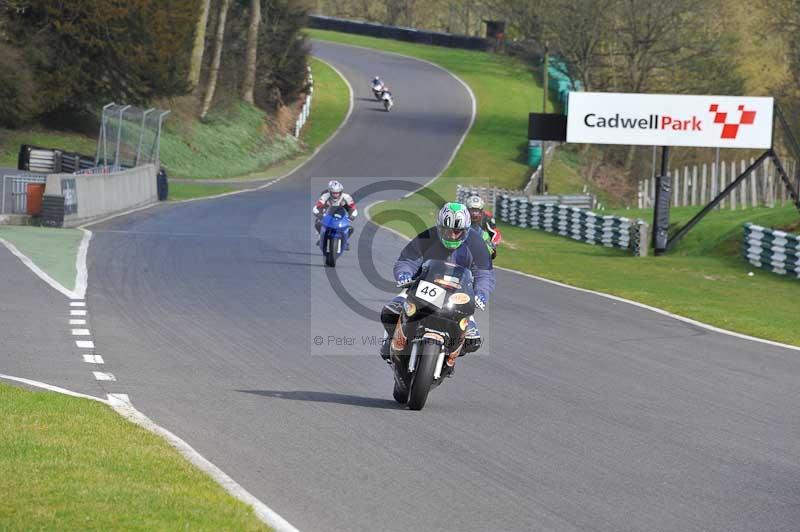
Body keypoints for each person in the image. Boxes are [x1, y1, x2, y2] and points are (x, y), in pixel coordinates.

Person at [379, 202, 495, 377]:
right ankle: (391, 342)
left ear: (466, 230)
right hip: (419, 287)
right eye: (448, 230)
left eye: (457, 231)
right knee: (390, 310)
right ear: (440, 226)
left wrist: (481, 294)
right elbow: (407, 260)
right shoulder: (427, 236)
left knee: (473, 339)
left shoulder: (476, 243)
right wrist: (404, 275)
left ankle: (450, 358)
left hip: (458, 295)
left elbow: (484, 273)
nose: (453, 235)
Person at [313, 180, 357, 245]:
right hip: (327, 214)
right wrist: (319, 214)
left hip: (341, 215)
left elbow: (353, 208)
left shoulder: (347, 197)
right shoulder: (325, 196)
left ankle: (345, 241)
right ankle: (321, 237)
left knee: (350, 228)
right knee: (318, 223)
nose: (335, 195)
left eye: (337, 193)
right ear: (330, 192)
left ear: (340, 192)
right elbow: (317, 207)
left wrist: (352, 216)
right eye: (333, 193)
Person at [465, 195, 501, 259]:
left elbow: (496, 233)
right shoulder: (462, 214)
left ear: (481, 210)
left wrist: (493, 244)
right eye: (472, 210)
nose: (475, 214)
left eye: (477, 210)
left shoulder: (487, 217)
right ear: (467, 209)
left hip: (479, 245)